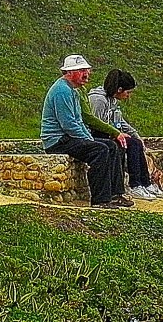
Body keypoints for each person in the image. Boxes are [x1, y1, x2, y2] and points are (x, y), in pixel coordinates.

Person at [40, 54, 132, 208]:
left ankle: (115, 194)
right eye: (81, 71)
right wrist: (88, 140)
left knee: (112, 146)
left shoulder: (73, 90)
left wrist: (87, 137)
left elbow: (78, 121)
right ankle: (100, 200)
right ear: (69, 73)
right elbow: (69, 124)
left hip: (68, 137)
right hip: (58, 140)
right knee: (100, 150)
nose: (86, 74)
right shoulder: (62, 91)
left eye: (87, 70)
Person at [89, 69, 163, 199]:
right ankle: (134, 185)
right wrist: (115, 134)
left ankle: (145, 183)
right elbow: (96, 123)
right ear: (119, 89)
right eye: (128, 92)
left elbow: (120, 121)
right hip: (98, 135)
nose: (128, 96)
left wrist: (136, 136)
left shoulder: (112, 101)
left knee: (135, 143)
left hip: (111, 132)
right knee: (126, 145)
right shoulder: (98, 100)